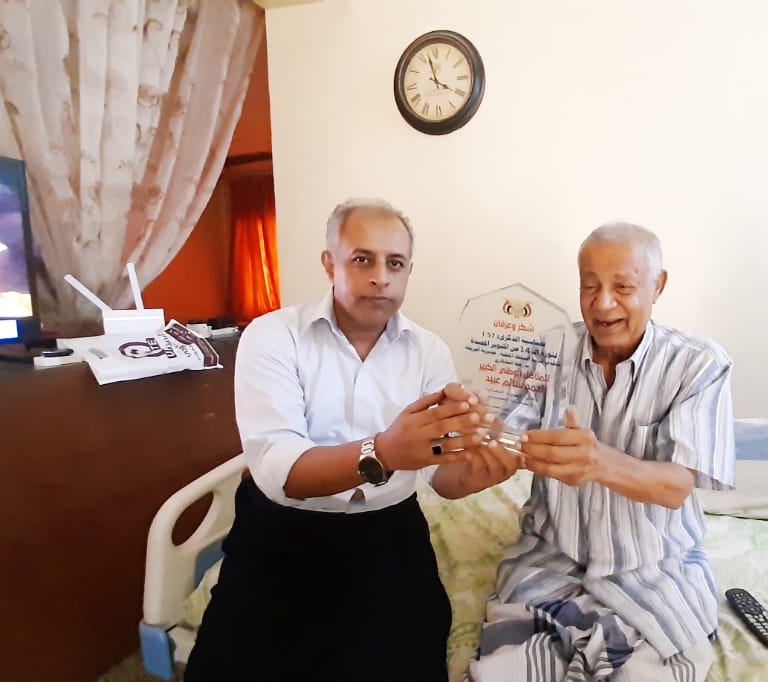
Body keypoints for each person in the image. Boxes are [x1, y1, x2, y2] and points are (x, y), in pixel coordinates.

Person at [184, 198, 519, 682]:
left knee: (410, 662)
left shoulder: (428, 351)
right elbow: (279, 470)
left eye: (395, 263)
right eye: (363, 259)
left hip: (388, 534)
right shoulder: (274, 337)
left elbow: (440, 477)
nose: (380, 277)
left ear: (408, 272)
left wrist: (480, 470)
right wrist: (381, 452)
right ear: (330, 263)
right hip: (281, 535)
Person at [469, 222, 735, 682]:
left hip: (656, 572)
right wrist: (478, 433)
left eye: (623, 287)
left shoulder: (699, 364)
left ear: (658, 285)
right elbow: (497, 451)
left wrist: (599, 463)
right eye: (589, 287)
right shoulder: (547, 350)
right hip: (546, 566)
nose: (603, 303)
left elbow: (677, 486)